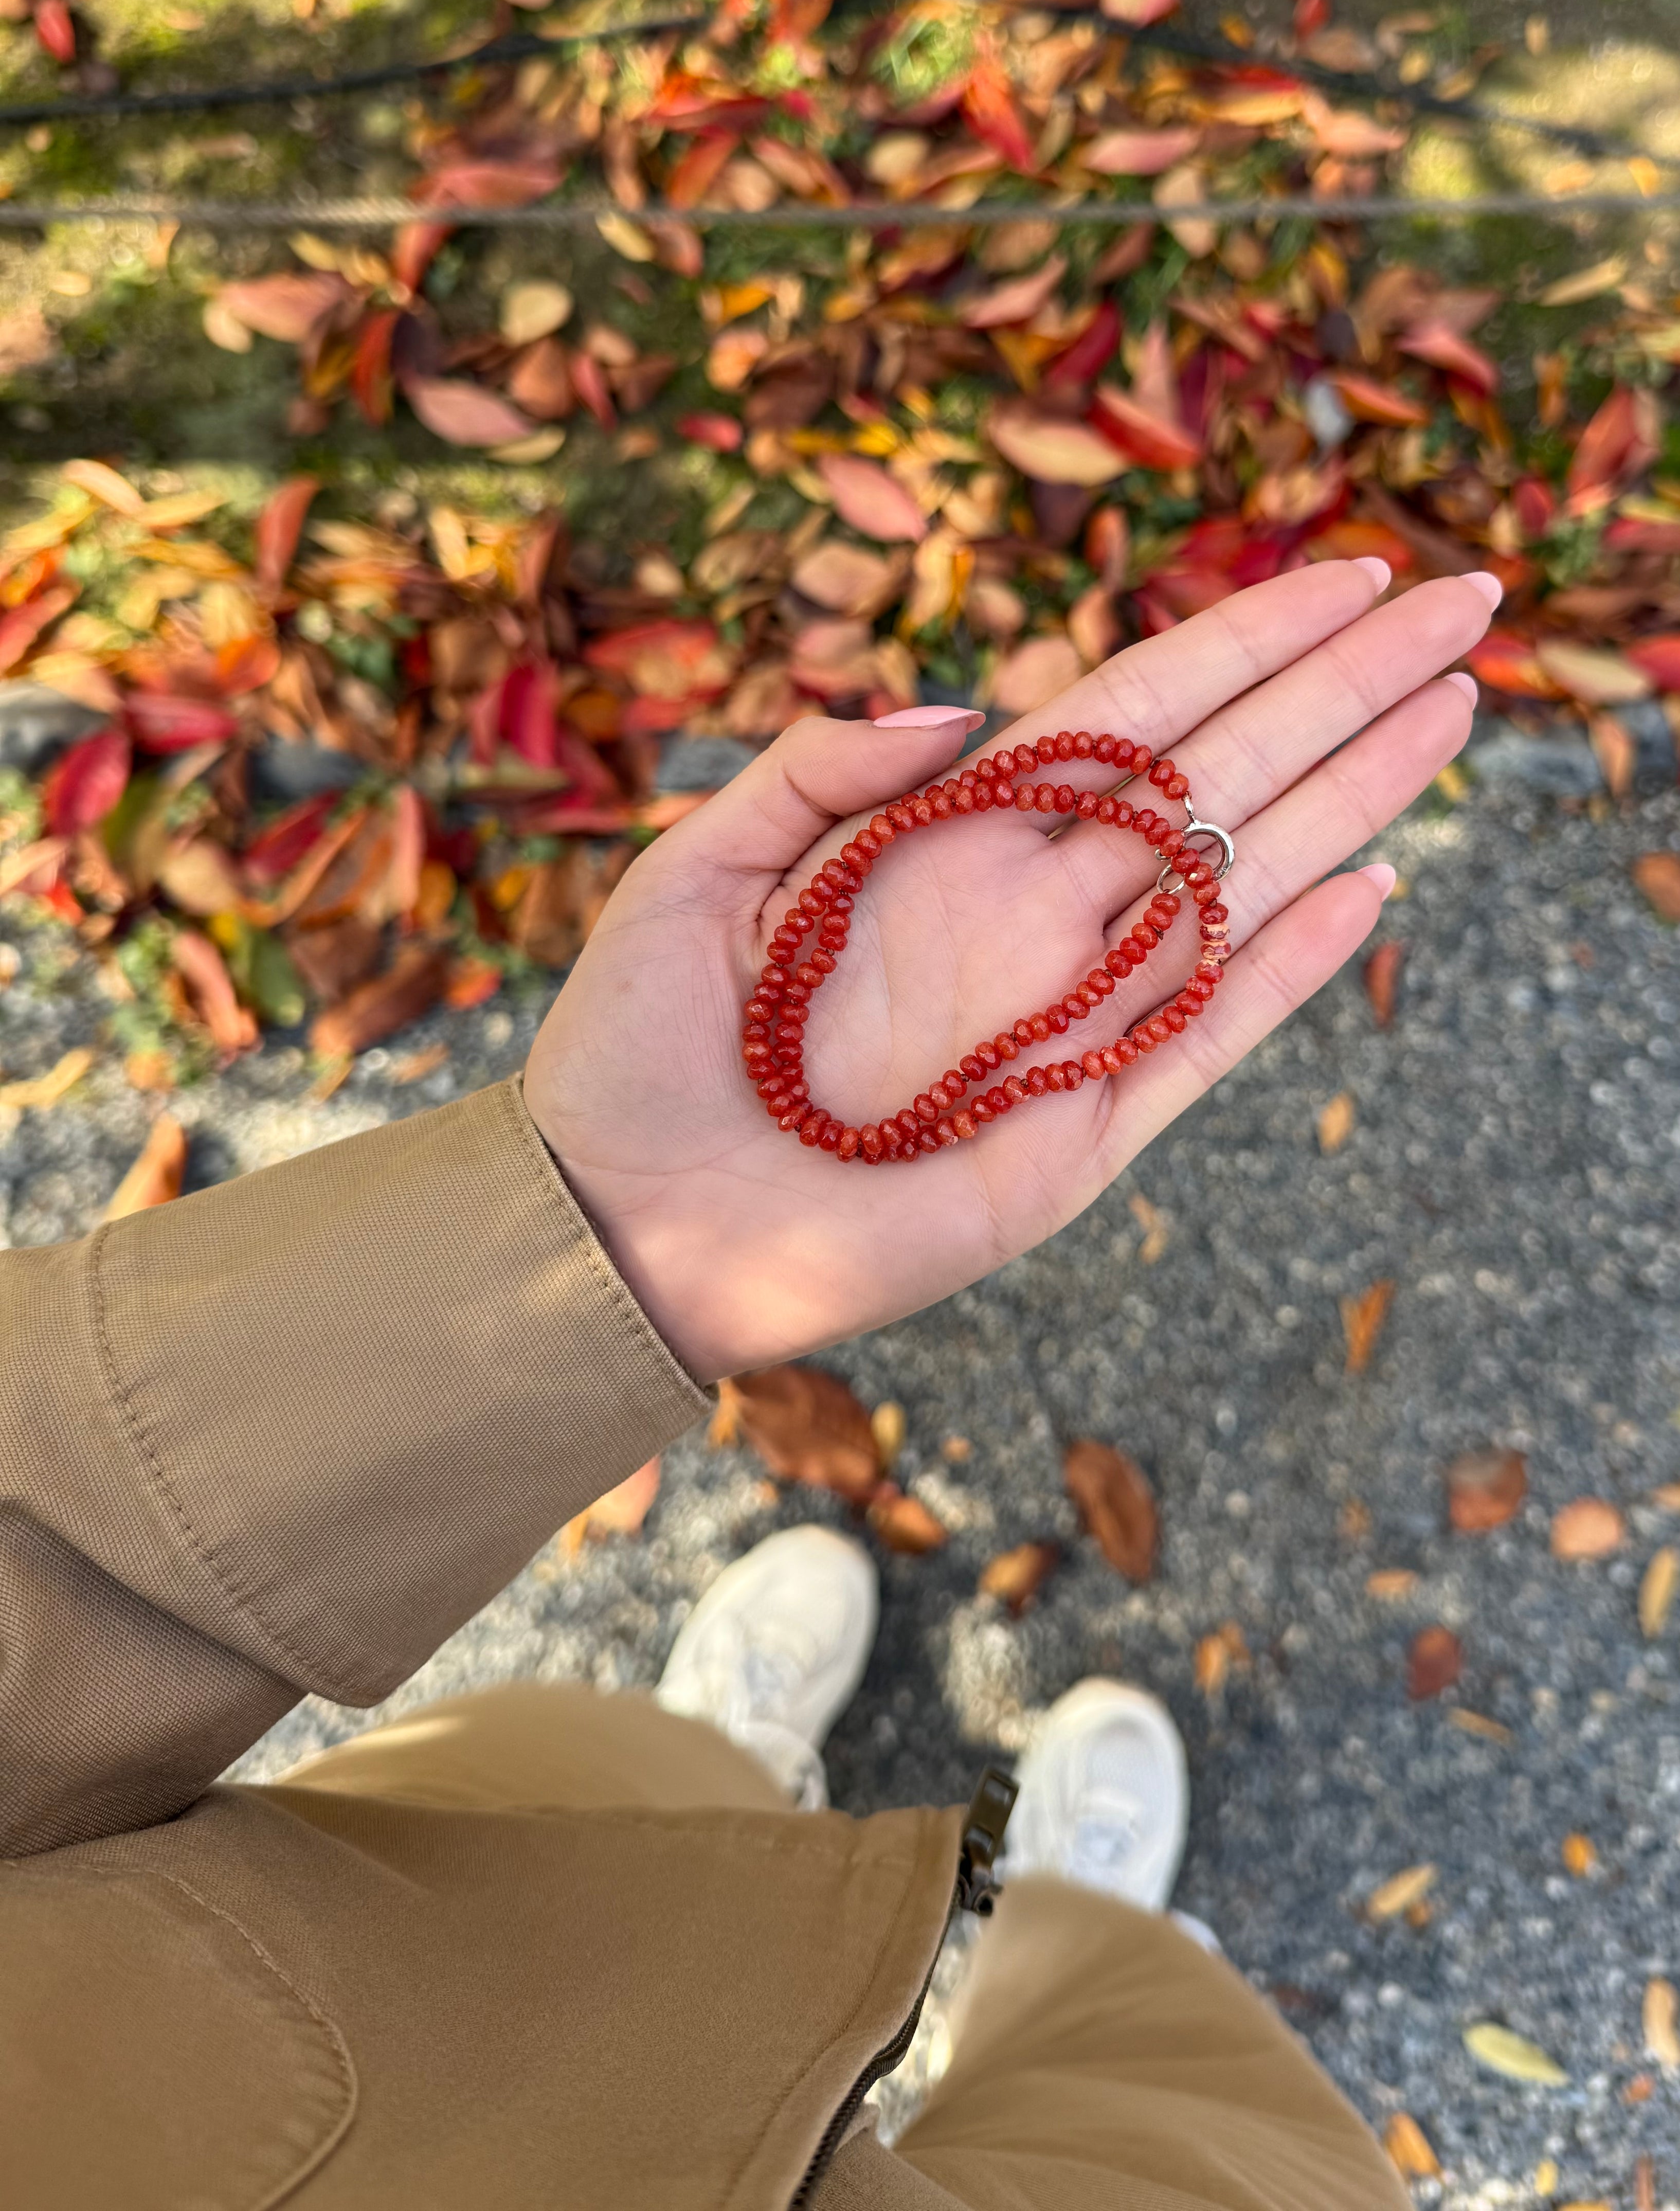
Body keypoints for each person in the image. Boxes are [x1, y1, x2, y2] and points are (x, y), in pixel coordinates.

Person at [2, 555, 1496, 2208]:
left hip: (344, 1972)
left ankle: (729, 1801)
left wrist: (590, 1241)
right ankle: (1089, 1954)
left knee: (569, 1801)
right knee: (1178, 2100)